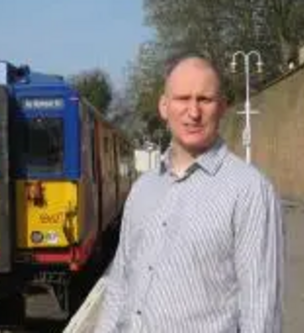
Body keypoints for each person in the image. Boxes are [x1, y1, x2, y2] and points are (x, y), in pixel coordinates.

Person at [94, 53, 284, 332]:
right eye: (183, 98)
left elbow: (260, 312)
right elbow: (120, 283)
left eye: (204, 100)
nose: (193, 112)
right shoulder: (143, 189)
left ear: (222, 107)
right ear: (164, 106)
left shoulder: (250, 191)